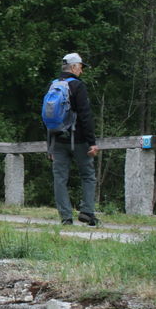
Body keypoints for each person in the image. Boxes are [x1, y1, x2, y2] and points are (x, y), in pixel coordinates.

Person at [47, 53, 99, 226]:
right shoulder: (78, 86)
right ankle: (87, 212)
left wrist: (49, 147)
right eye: (81, 67)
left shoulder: (53, 85)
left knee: (60, 179)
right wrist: (92, 142)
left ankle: (65, 217)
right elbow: (85, 116)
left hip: (58, 141)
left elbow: (48, 118)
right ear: (74, 67)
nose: (82, 71)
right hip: (79, 141)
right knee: (88, 176)